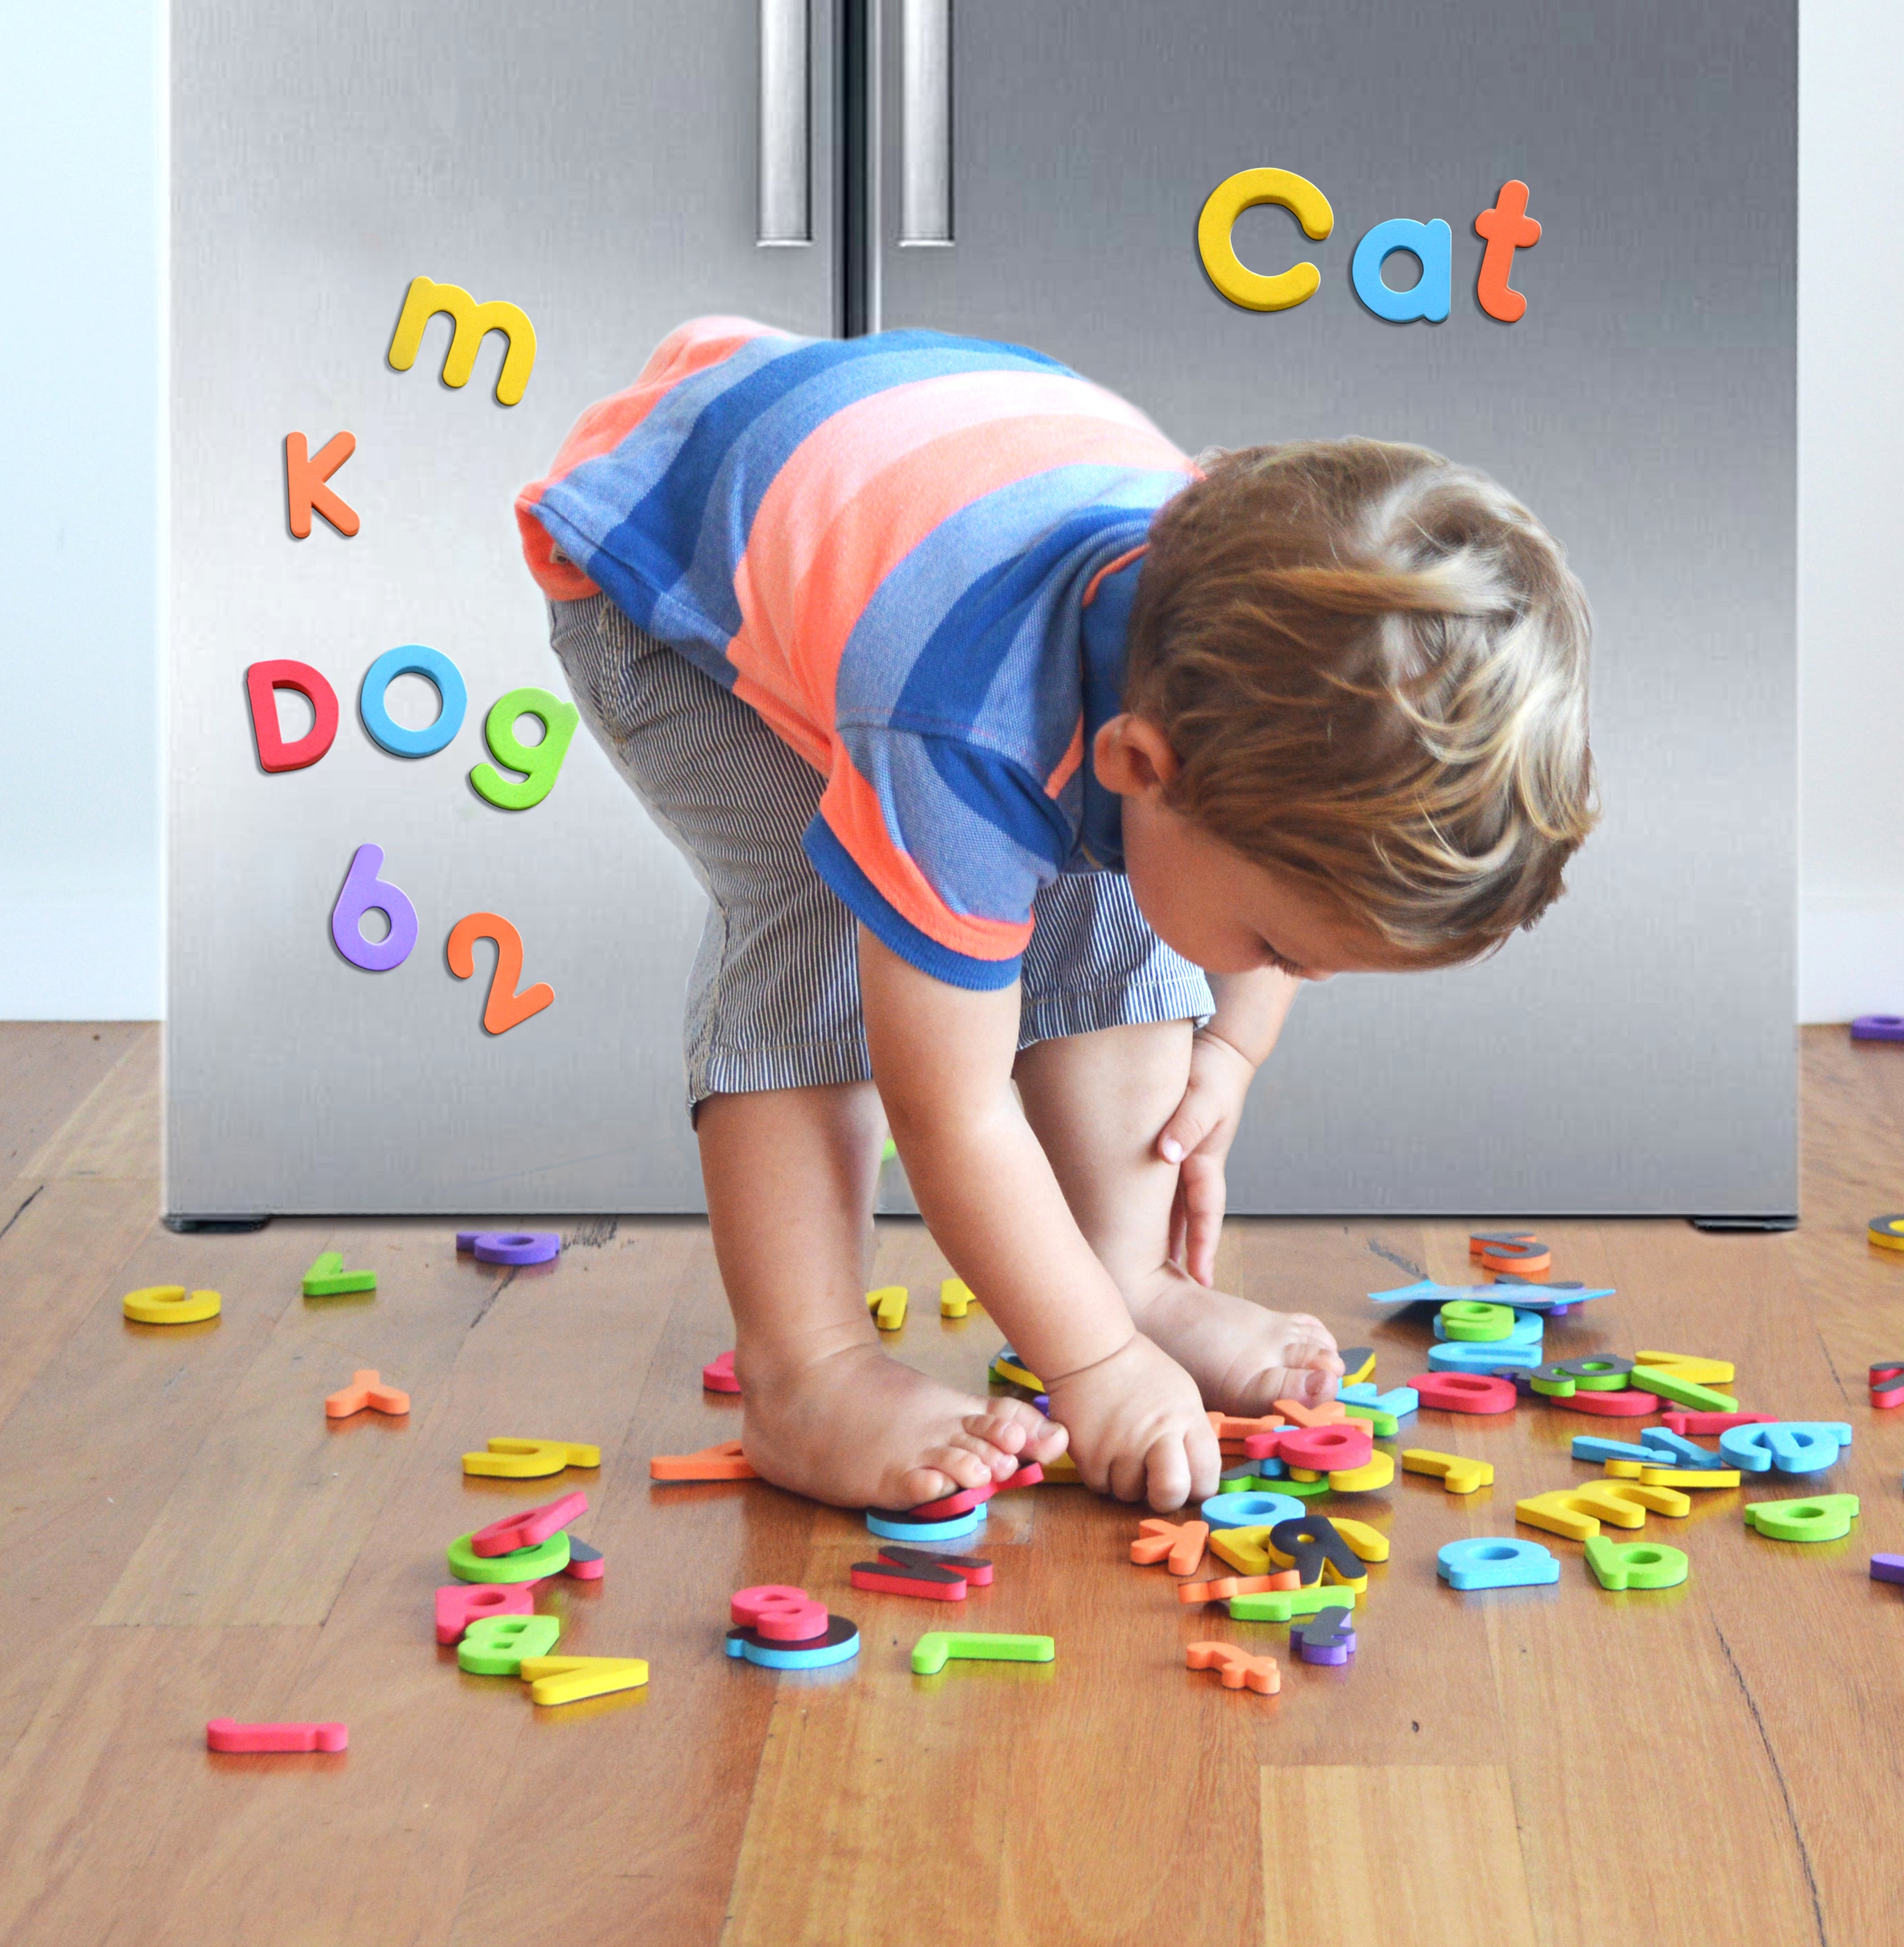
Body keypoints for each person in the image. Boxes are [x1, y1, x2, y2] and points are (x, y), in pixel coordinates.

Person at [515, 317, 1596, 1513]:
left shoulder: (1208, 675)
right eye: (1284, 951)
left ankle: (1122, 1272)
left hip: (911, 491)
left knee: (1139, 887)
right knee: (823, 908)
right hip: (659, 569)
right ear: (1138, 758)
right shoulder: (963, 726)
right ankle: (804, 1370)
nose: (1291, 981)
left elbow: (1196, 877)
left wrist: (1231, 1045)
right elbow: (952, 1109)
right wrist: (1095, 1368)